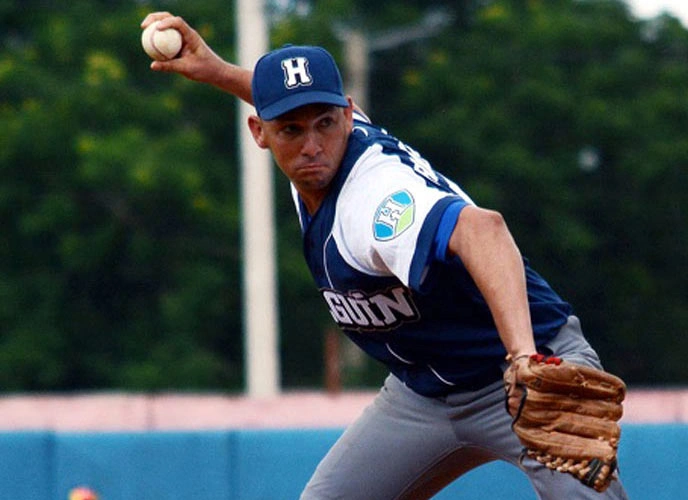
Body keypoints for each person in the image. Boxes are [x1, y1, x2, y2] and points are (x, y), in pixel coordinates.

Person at [141, 12, 629, 500]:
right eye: (292, 129)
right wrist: (217, 71)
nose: (312, 145)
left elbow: (486, 230)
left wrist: (526, 357)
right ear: (260, 132)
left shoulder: (375, 200)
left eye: (325, 123)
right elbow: (289, 102)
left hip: (521, 378)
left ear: (349, 115)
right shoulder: (317, 153)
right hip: (422, 396)